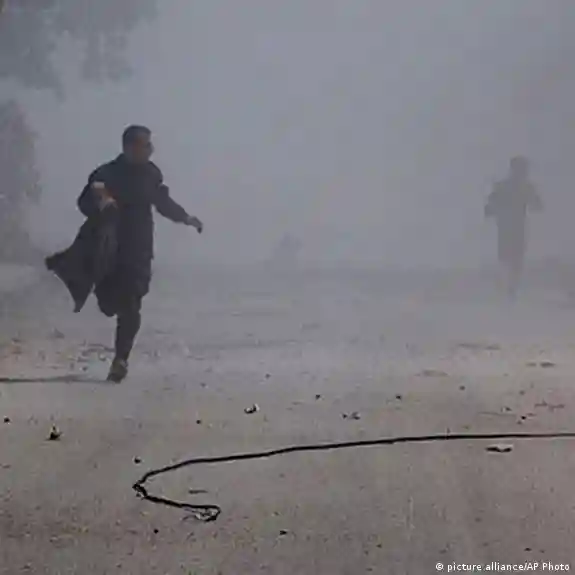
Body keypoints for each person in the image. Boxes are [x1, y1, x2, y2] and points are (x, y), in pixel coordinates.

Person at [67, 125, 202, 382]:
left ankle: (121, 359)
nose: (151, 149)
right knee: (109, 304)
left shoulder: (151, 174)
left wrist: (186, 217)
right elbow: (85, 200)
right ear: (129, 147)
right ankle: (109, 304)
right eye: (145, 144)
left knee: (132, 304)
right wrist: (102, 202)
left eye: (150, 144)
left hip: (139, 250)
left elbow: (163, 202)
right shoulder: (105, 173)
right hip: (109, 250)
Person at [484, 156, 542, 299]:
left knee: (509, 259)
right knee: (513, 260)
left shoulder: (505, 186)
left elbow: (489, 208)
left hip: (508, 228)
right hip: (515, 228)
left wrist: (493, 208)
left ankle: (508, 288)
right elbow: (537, 205)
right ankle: (509, 289)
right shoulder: (524, 187)